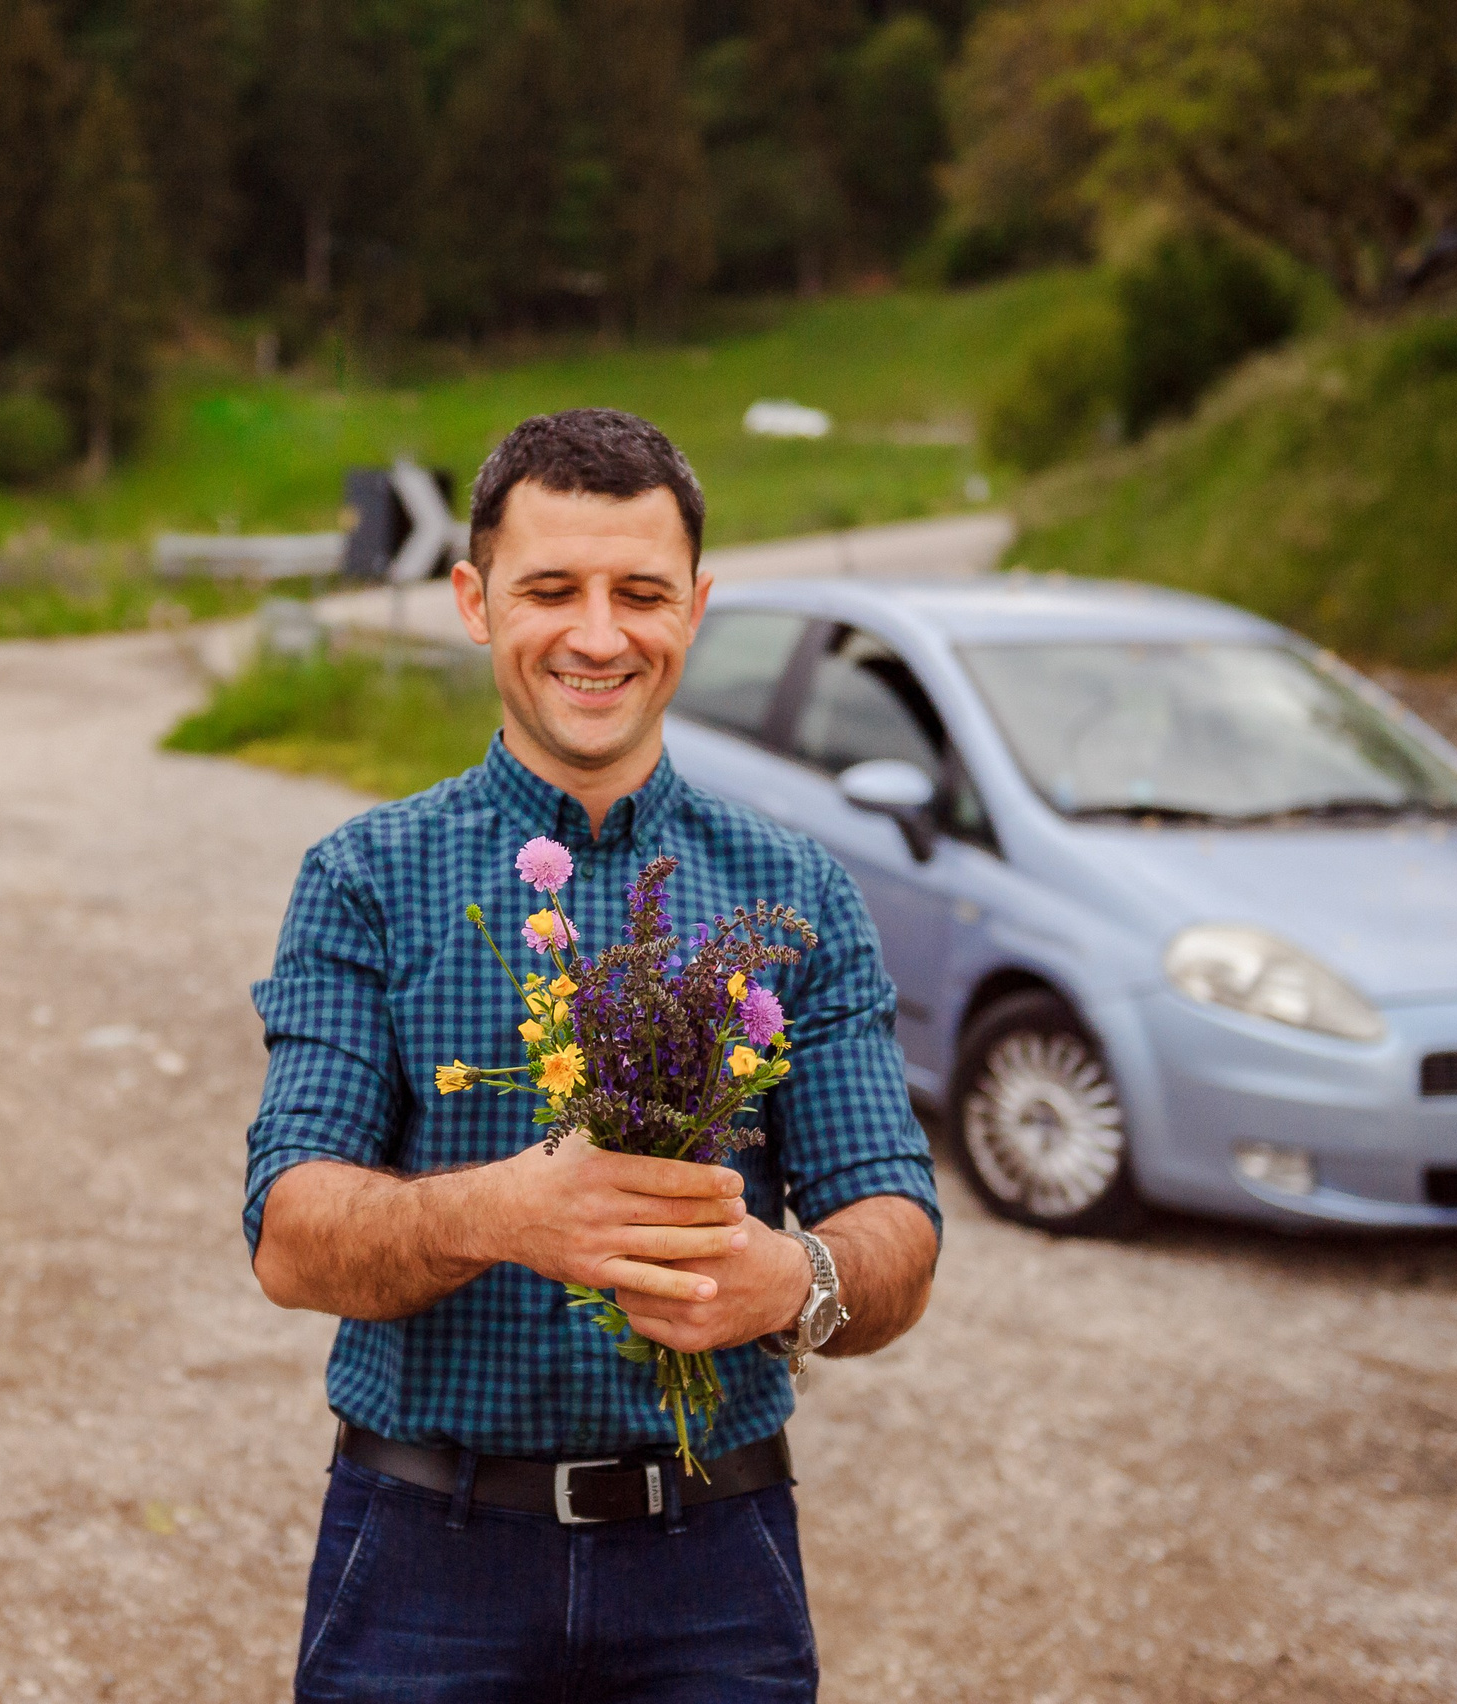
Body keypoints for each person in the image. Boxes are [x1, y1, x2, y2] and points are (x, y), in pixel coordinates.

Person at [244, 408, 940, 1701]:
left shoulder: (799, 890)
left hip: (714, 1562)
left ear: (698, 605)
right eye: (552, 589)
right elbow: (291, 1238)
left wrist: (793, 1278)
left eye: (642, 593)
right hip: (422, 1557)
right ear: (473, 599)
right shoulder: (364, 879)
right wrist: (511, 1213)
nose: (600, 635)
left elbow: (899, 1230)